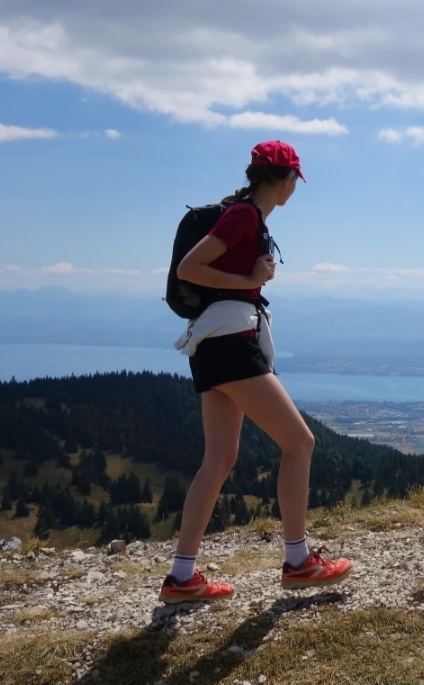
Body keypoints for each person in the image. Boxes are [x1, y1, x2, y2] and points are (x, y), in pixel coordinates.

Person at [158, 140, 354, 604]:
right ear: (284, 179)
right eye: (294, 182)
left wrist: (251, 275)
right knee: (300, 442)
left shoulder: (246, 215)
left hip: (212, 345)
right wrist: (250, 281)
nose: (294, 190)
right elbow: (191, 268)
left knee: (219, 458)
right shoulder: (245, 215)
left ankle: (182, 577)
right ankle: (298, 561)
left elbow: (207, 269)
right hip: (231, 344)